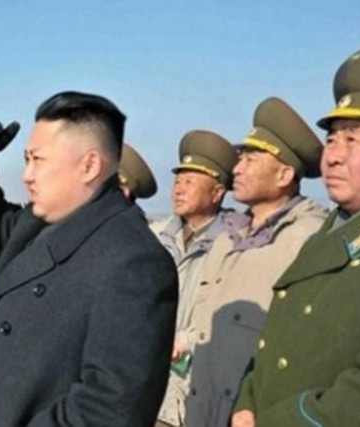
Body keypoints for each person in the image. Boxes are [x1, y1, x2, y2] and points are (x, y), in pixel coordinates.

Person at [0, 91, 178, 427]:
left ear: (89, 166)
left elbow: (109, 410)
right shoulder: (39, 225)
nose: (27, 175)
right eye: (27, 159)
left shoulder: (136, 262)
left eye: (38, 160)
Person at [232, 46, 360, 427]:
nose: (333, 155)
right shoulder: (330, 234)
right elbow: (276, 347)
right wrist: (247, 401)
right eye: (333, 138)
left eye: (353, 139)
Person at [184, 97, 328, 427]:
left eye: (251, 159)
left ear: (284, 174)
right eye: (240, 159)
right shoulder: (227, 238)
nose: (237, 169)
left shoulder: (308, 238)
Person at [152, 130, 238, 427]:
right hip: (146, 389)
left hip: (195, 394)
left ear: (217, 192)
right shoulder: (156, 237)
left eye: (190, 181)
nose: (179, 189)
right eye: (178, 180)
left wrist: (186, 340)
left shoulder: (234, 245)